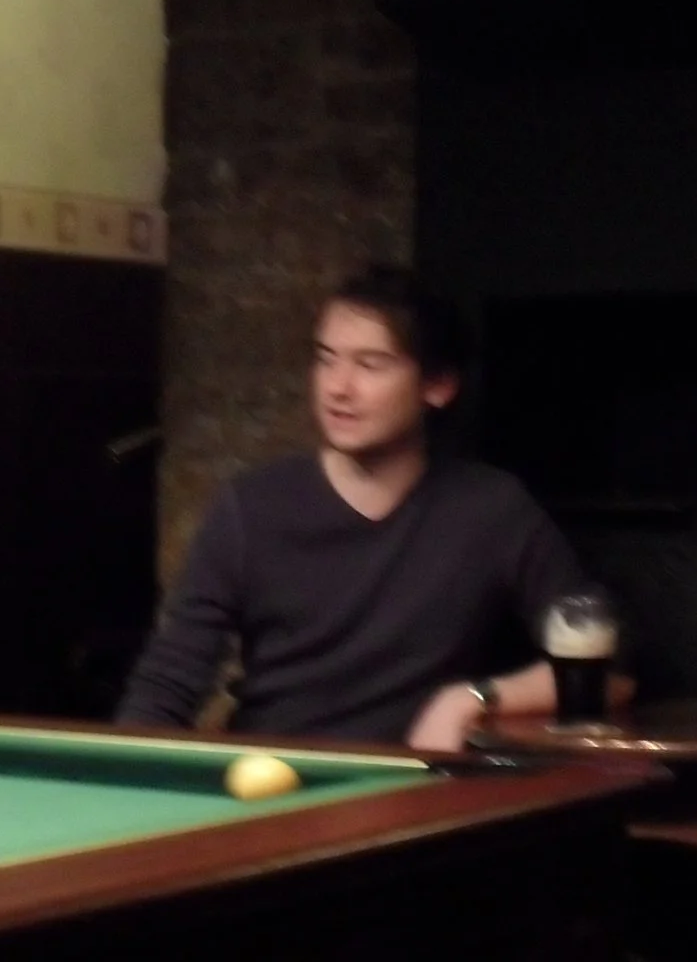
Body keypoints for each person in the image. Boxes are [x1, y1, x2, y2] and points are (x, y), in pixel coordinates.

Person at [118, 265, 579, 750]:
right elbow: (168, 683)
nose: (337, 388)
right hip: (272, 775)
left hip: (421, 785)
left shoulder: (491, 510)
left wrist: (473, 699)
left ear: (438, 386)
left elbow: (605, 670)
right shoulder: (250, 506)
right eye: (326, 360)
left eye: (370, 365)